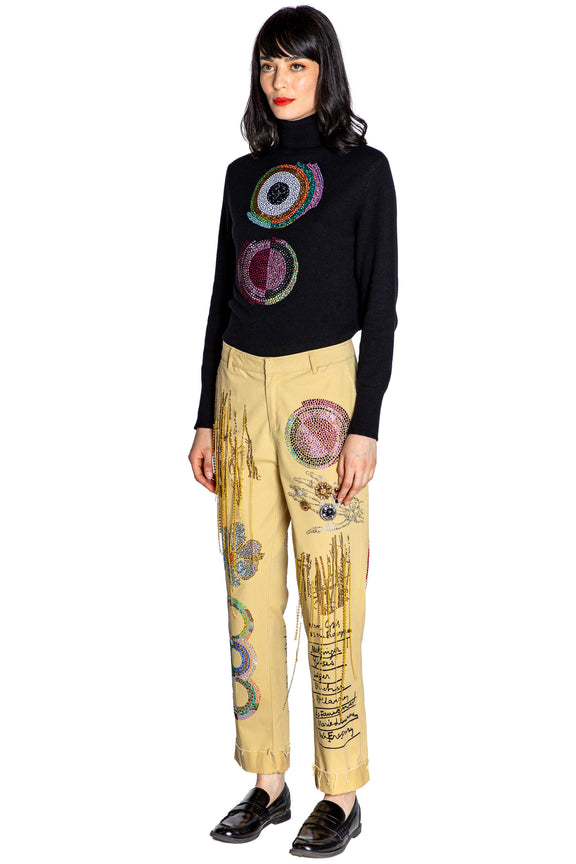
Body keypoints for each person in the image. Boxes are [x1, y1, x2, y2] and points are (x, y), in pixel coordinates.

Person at [188, 5, 398, 858]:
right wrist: (206, 413)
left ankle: (340, 793)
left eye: (297, 66)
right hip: (239, 388)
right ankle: (267, 781)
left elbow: (381, 308)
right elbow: (220, 296)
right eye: (268, 66)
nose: (280, 81)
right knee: (249, 589)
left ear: (325, 73)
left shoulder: (364, 173)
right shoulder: (243, 176)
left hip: (322, 396)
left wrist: (366, 425)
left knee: (331, 590)